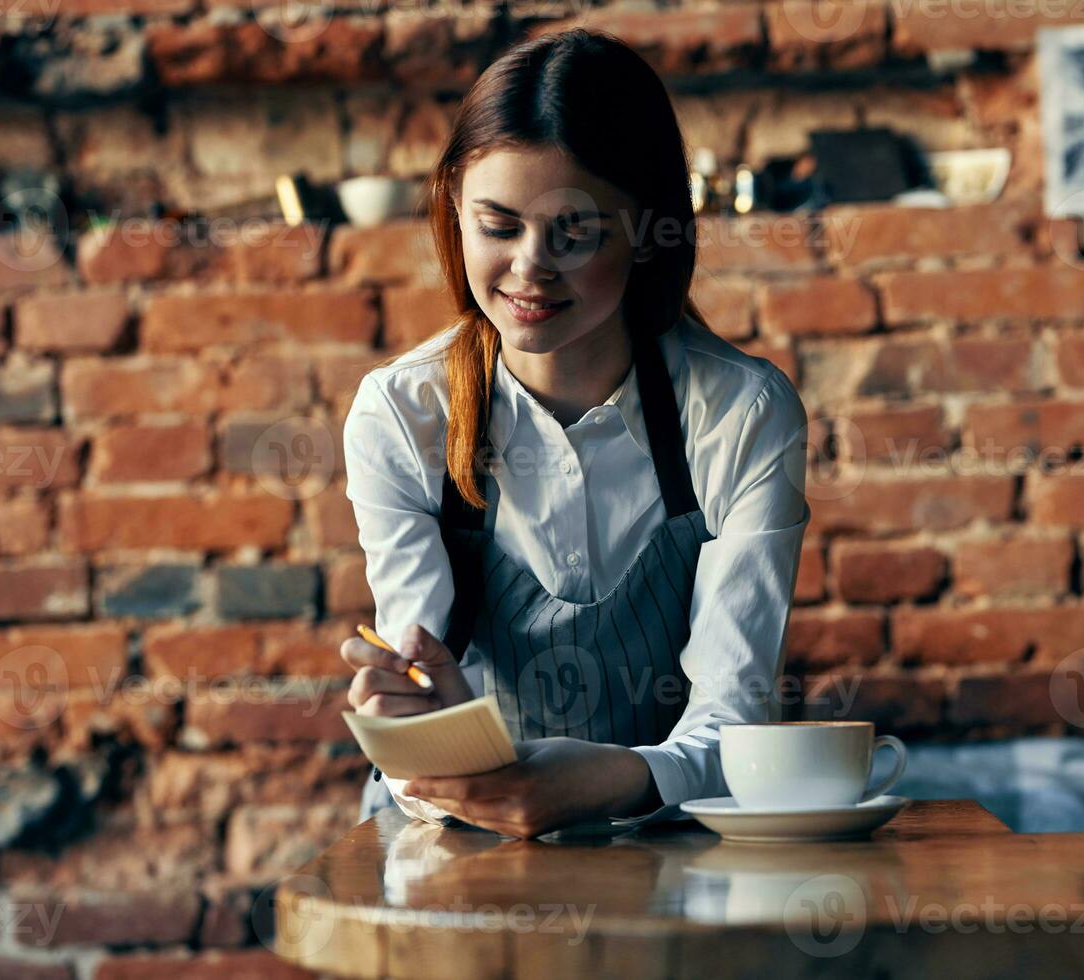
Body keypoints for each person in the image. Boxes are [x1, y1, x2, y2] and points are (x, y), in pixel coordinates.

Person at [338, 28, 811, 840]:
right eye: (498, 225)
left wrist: (615, 778)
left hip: (666, 838)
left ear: (649, 228)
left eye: (574, 231)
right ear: (454, 210)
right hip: (456, 840)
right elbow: (417, 729)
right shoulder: (403, 416)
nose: (530, 267)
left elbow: (734, 727)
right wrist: (423, 727)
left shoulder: (742, 414)